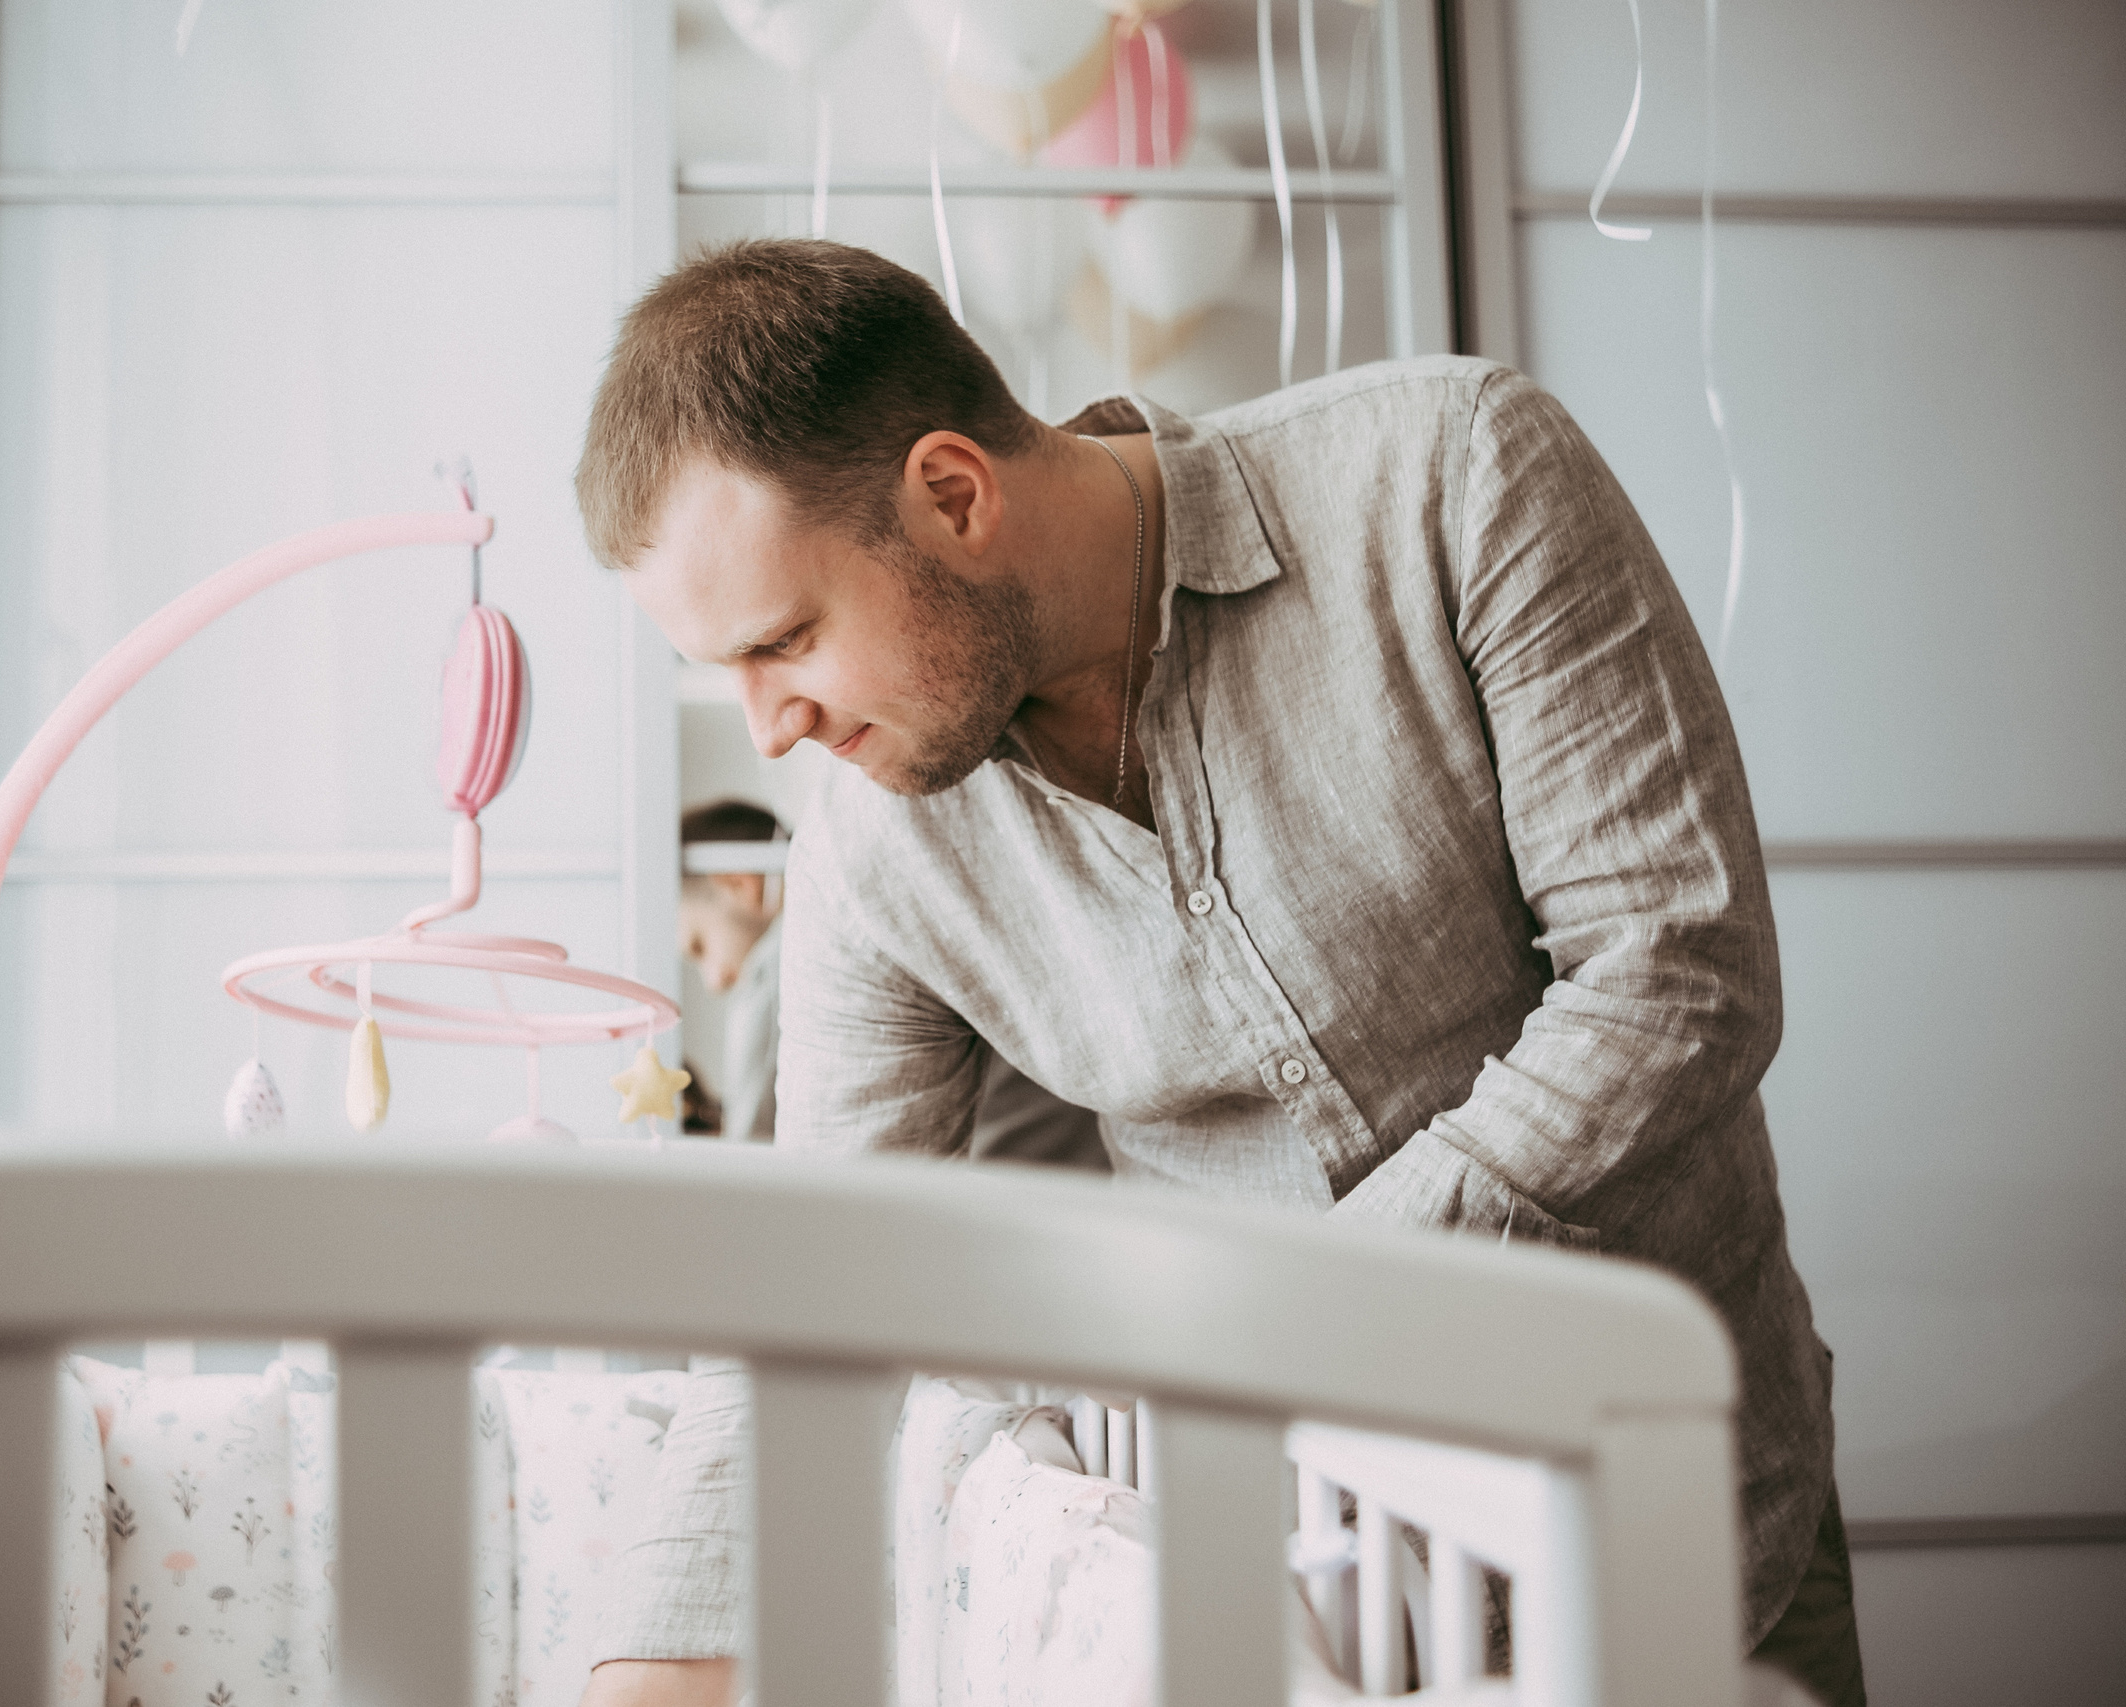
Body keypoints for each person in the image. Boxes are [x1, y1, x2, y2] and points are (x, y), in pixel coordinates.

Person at [575, 240, 1864, 1706]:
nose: (769, 728)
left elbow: (1676, 969)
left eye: (786, 640)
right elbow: (818, 1289)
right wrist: (649, 1669)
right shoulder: (873, 858)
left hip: (1692, 1535)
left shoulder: (1450, 475)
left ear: (952, 494)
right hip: (1298, 1619)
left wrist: (1293, 1313)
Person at [679, 796, 1106, 1165]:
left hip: (992, 1195)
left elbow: (750, 1163)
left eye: (700, 947)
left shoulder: (781, 961)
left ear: (740, 886)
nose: (714, 981)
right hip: (1083, 1171)